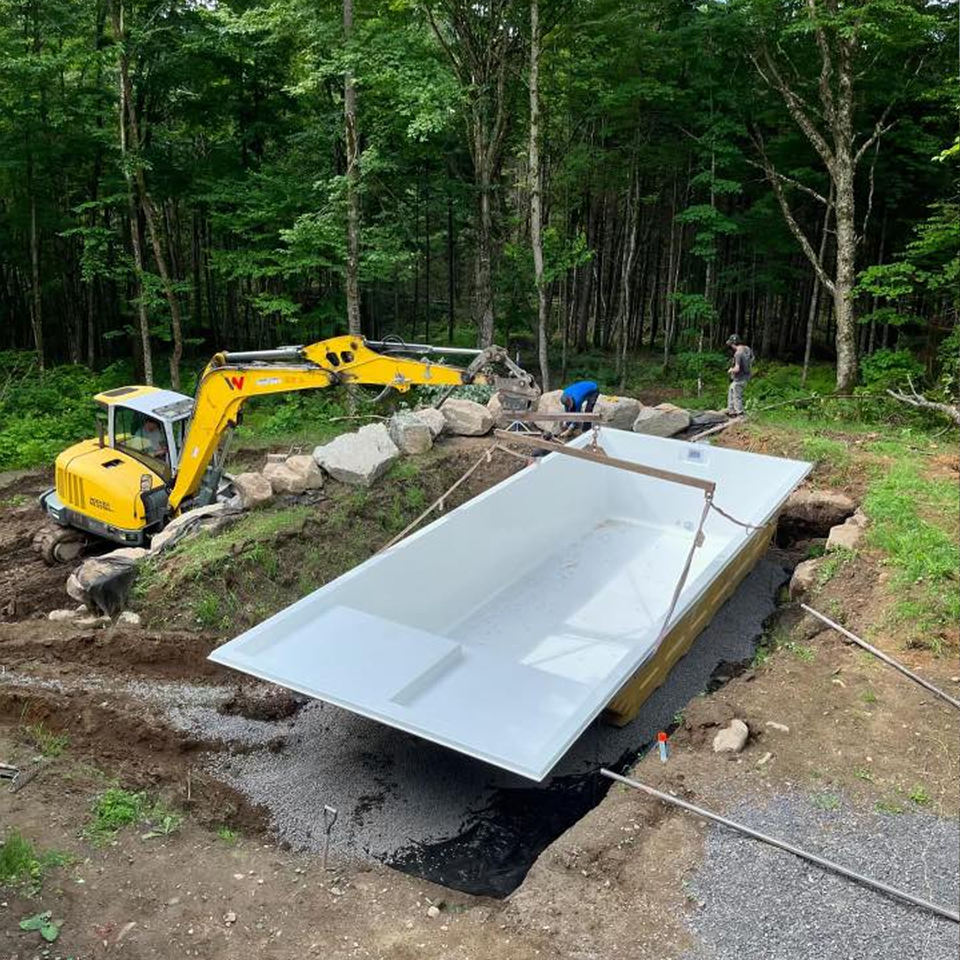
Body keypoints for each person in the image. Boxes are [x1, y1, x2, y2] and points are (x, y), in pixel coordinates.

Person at [725, 334, 753, 416]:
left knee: (737, 396)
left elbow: (737, 368)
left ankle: (740, 413)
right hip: (746, 376)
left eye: (731, 345)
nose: (731, 347)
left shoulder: (738, 354)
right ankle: (731, 411)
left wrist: (731, 370)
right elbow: (752, 359)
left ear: (734, 344)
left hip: (739, 378)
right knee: (731, 389)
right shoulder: (747, 349)